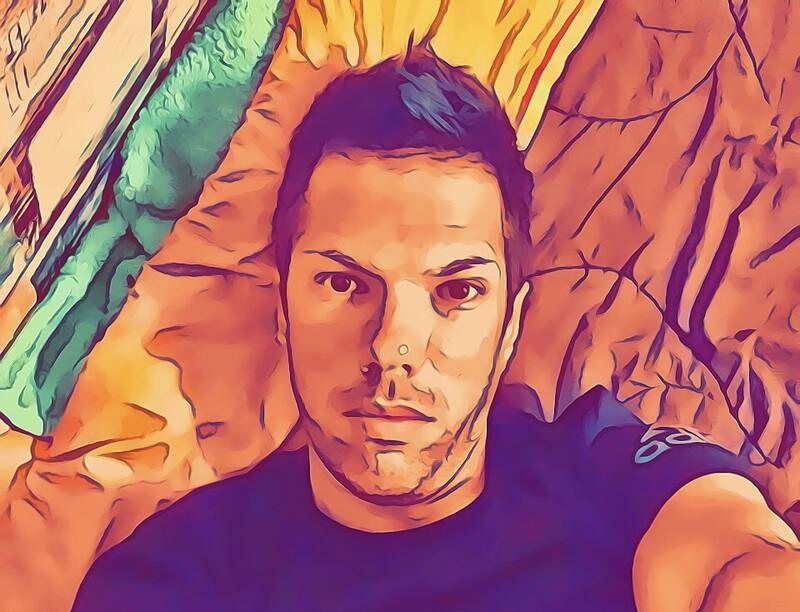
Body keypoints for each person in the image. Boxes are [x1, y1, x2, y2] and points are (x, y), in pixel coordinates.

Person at [73, 46, 800, 612]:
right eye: (344, 284)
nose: (393, 346)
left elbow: (736, 563)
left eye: (456, 291)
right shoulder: (172, 577)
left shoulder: (607, 469)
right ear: (282, 311)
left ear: (510, 326)